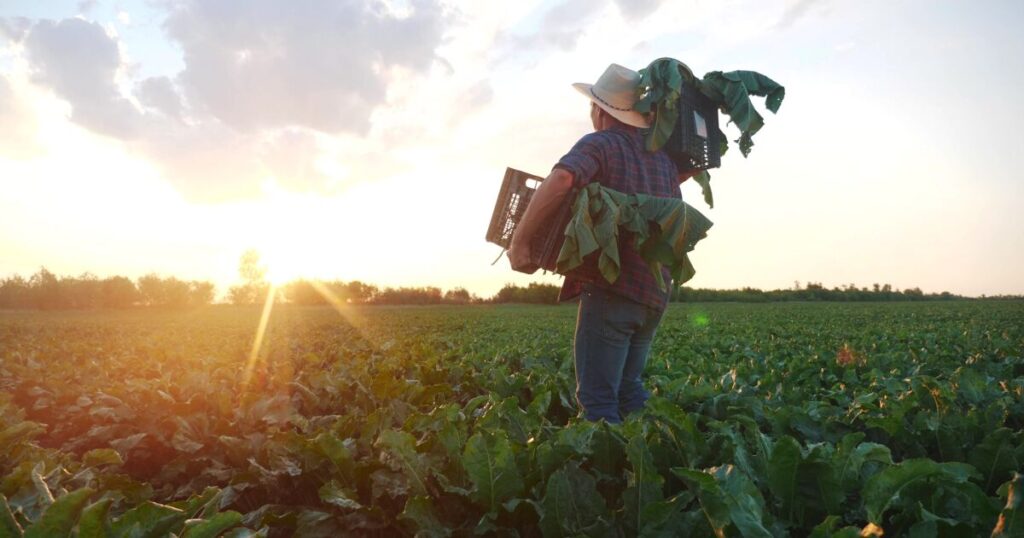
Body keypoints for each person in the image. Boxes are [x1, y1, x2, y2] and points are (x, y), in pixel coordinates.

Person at [509, 63, 697, 423]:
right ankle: (644, 466)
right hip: (654, 294)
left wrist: (520, 243)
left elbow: (563, 179)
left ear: (600, 110)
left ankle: (611, 475)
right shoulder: (661, 160)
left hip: (615, 288)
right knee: (629, 391)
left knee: (598, 401)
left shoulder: (601, 143)